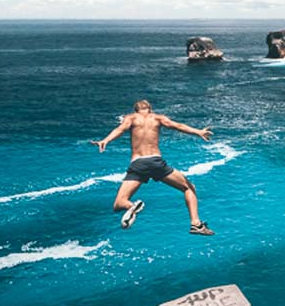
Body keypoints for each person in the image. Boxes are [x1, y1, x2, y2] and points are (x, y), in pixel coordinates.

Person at [90, 99, 215, 235]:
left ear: (135, 110)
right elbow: (178, 126)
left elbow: (120, 129)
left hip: (138, 163)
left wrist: (105, 140)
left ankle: (131, 206)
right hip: (156, 163)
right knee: (189, 188)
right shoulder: (157, 118)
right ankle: (196, 224)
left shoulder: (130, 118)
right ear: (150, 108)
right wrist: (198, 132)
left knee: (118, 203)